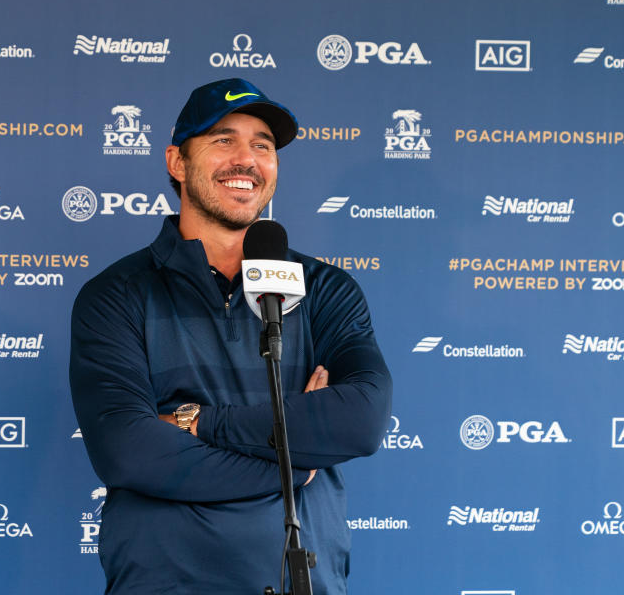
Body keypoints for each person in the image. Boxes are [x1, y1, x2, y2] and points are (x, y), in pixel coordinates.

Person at [69, 78, 392, 595]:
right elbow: (131, 452)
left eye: (262, 145)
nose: (247, 158)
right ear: (177, 162)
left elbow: (361, 421)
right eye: (224, 140)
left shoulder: (326, 288)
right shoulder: (117, 295)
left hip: (303, 582)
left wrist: (197, 421)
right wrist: (297, 464)